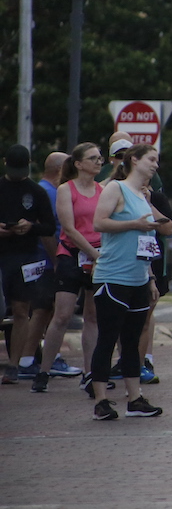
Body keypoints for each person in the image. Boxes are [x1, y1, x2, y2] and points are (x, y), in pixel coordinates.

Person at [90, 144, 167, 419]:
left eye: (157, 160)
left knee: (132, 341)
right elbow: (99, 223)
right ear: (134, 160)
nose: (155, 165)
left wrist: (150, 278)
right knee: (108, 338)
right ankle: (100, 400)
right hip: (113, 276)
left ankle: (135, 398)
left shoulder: (142, 195)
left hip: (137, 277)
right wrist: (134, 224)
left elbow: (147, 239)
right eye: (151, 159)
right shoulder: (116, 188)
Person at [31, 144, 103, 393]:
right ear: (79, 163)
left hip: (97, 256)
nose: (98, 162)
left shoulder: (103, 190)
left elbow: (104, 223)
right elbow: (69, 228)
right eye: (93, 158)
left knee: (92, 316)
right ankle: (44, 370)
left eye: (100, 158)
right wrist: (93, 253)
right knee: (61, 315)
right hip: (73, 255)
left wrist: (99, 254)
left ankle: (89, 372)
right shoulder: (66, 190)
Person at [0, 145, 57, 386]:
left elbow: (49, 227)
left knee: (22, 309)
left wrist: (29, 226)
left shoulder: (36, 191)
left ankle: (15, 365)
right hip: (2, 254)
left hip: (25, 256)